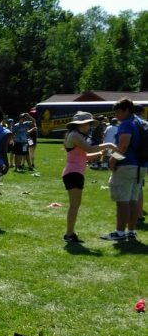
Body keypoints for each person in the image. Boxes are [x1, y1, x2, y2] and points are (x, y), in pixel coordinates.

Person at [61, 111, 114, 243]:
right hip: (73, 173)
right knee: (74, 205)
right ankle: (69, 234)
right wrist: (108, 145)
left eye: (89, 124)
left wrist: (101, 152)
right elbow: (89, 149)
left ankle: (70, 233)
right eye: (85, 124)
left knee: (75, 204)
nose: (88, 127)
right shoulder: (75, 135)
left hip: (74, 173)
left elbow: (85, 156)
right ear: (77, 125)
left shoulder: (76, 135)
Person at [101, 97, 145, 241]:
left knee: (122, 200)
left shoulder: (126, 124)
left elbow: (123, 146)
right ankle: (131, 231)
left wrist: (112, 160)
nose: (116, 116)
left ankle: (119, 232)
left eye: (119, 112)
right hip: (141, 166)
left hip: (127, 165)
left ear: (126, 110)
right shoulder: (143, 123)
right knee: (132, 199)